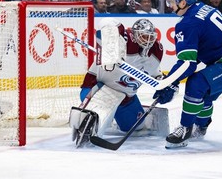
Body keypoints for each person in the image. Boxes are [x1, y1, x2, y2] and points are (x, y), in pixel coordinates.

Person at [153, 0, 222, 148]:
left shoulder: (187, 24)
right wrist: (172, 80)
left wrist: (170, 81)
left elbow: (188, 64)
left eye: (172, 1)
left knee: (196, 84)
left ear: (183, 2)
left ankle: (185, 128)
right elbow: (201, 49)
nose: (170, 5)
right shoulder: (201, 7)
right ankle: (202, 126)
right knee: (204, 92)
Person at [69, 18, 164, 147]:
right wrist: (110, 50)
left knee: (137, 127)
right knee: (93, 118)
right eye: (143, 36)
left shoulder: (156, 51)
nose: (147, 40)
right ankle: (92, 120)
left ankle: (116, 118)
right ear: (135, 35)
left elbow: (155, 73)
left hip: (126, 99)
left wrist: (164, 85)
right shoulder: (124, 40)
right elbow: (107, 22)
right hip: (98, 88)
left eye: (149, 37)